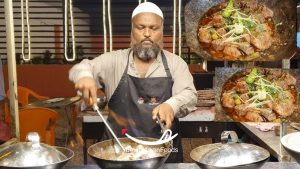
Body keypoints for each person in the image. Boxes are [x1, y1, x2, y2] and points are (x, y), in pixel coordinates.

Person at [69, 2, 197, 162]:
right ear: (132, 31)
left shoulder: (175, 63)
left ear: (162, 31)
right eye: (141, 27)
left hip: (163, 155)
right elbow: (82, 67)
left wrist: (172, 105)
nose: (147, 33)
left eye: (154, 28)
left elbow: (190, 94)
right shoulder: (114, 61)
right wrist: (85, 76)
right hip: (118, 154)